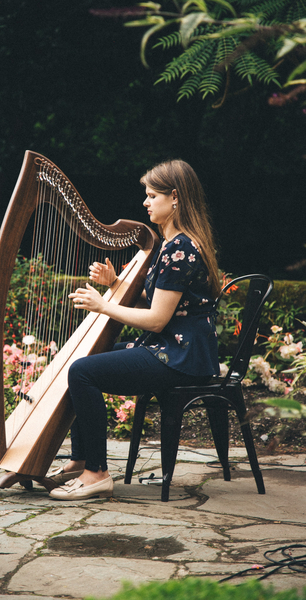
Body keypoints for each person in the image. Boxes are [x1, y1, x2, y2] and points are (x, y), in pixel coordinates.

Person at [48, 159, 220, 500]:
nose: (145, 202)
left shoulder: (180, 249)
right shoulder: (174, 244)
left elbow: (157, 319)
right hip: (176, 349)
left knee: (83, 371)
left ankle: (96, 473)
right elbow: (163, 300)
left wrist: (103, 304)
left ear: (175, 198)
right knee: (86, 358)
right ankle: (82, 459)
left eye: (151, 195)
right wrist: (115, 283)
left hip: (179, 358)